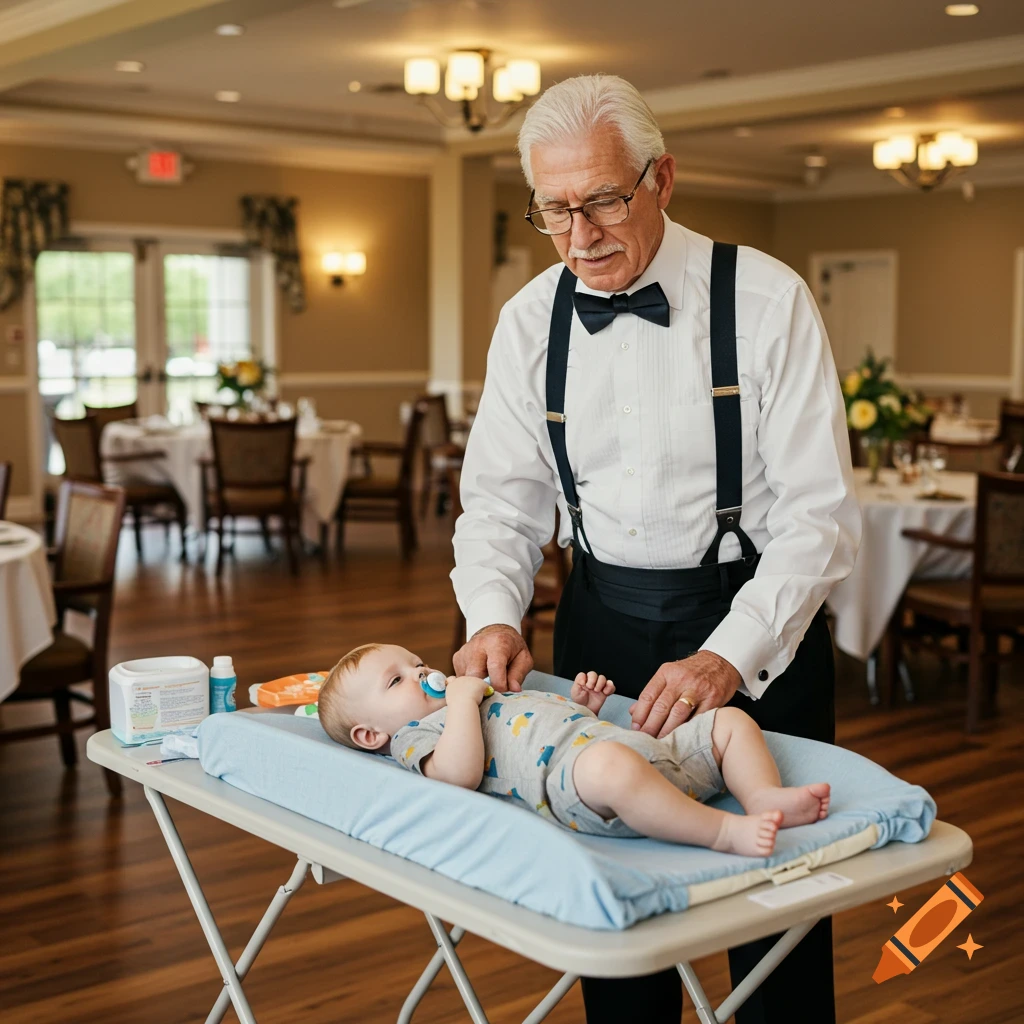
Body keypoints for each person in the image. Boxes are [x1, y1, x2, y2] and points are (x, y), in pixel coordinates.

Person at [450, 74, 860, 1024]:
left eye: (602, 200)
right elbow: (502, 502)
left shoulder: (765, 298)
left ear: (662, 179)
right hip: (597, 631)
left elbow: (819, 513)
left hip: (758, 636)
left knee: (782, 913)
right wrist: (495, 616)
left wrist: (733, 651)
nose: (580, 234)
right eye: (554, 210)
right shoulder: (529, 320)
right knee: (615, 917)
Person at [317, 643, 831, 855]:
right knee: (609, 767)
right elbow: (458, 774)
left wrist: (580, 706)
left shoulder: (475, 697)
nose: (421, 673)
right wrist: (462, 702)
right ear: (370, 735)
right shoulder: (418, 736)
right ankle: (723, 832)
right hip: (581, 787)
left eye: (414, 662)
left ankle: (761, 794)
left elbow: (547, 726)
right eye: (397, 681)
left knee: (729, 720)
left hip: (629, 750)